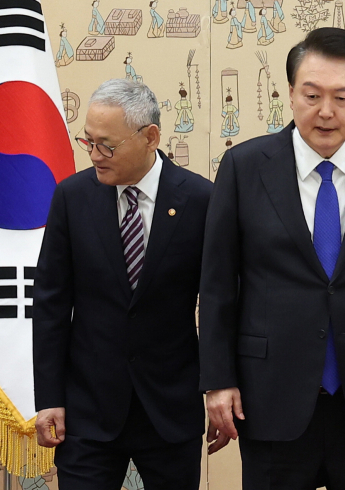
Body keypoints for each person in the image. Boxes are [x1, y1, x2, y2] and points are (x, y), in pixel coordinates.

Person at [199, 27, 345, 489]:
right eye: (311, 95)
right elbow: (219, 284)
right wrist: (218, 381)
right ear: (290, 93)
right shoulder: (244, 167)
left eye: (342, 97)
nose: (326, 112)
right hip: (271, 395)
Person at [32, 79, 213, 490]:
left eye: (107, 146)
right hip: (87, 411)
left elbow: (221, 303)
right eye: (89, 142)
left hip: (169, 410)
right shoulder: (72, 197)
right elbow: (50, 305)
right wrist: (50, 398)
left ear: (151, 137)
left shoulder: (201, 200)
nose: (95, 155)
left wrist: (220, 387)